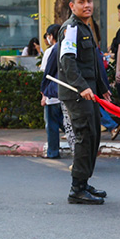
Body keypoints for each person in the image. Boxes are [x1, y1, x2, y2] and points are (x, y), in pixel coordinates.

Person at [57, 0, 111, 204]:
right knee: (84, 137)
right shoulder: (70, 28)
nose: (87, 5)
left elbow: (93, 63)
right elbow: (67, 61)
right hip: (77, 93)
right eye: (81, 2)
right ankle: (77, 189)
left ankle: (84, 182)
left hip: (89, 92)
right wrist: (81, 87)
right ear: (72, 6)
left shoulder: (85, 27)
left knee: (93, 136)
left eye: (89, 1)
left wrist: (102, 87)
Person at [39, 23, 75, 158]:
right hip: (66, 93)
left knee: (52, 125)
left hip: (52, 94)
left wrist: (43, 94)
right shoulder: (69, 48)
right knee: (66, 123)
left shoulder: (51, 50)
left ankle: (53, 152)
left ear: (51, 36)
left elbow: (46, 73)